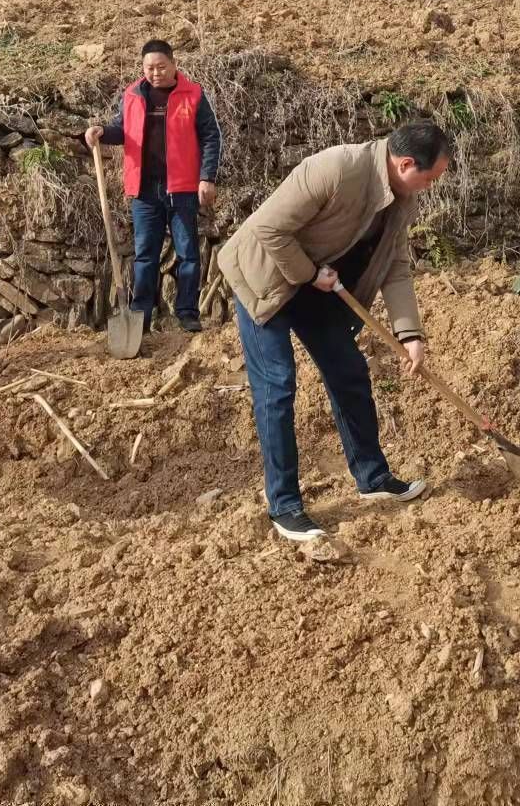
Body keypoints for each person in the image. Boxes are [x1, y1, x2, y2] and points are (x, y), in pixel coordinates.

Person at [216, 122, 452, 543]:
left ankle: (373, 477)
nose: (431, 187)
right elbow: (269, 228)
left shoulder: (403, 198)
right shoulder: (336, 168)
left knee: (349, 371)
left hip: (316, 284)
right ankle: (285, 506)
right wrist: (309, 273)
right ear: (405, 163)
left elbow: (395, 266)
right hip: (264, 278)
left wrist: (410, 332)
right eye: (430, 177)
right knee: (278, 385)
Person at [85, 40, 223, 333]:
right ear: (143, 67)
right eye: (149, 67)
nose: (155, 72)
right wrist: (101, 132)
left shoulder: (193, 94)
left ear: (174, 64)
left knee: (187, 253)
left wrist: (206, 177)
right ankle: (141, 317)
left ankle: (187, 313)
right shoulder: (134, 94)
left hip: (182, 188)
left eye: (161, 66)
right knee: (145, 254)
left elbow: (211, 137)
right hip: (144, 190)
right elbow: (122, 130)